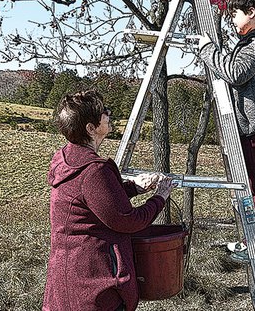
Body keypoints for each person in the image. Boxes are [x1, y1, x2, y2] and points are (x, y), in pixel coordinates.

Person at [42, 90, 174, 311]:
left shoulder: (67, 158)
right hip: (94, 287)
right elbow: (127, 220)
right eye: (102, 112)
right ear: (90, 128)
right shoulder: (94, 170)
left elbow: (94, 200)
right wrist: (160, 197)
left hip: (67, 283)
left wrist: (133, 187)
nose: (108, 113)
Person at [196, 0, 255, 264]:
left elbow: (235, 72)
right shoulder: (252, 41)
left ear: (251, 13)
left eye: (234, 14)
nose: (232, 19)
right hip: (251, 120)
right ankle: (254, 241)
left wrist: (207, 50)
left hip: (254, 122)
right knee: (252, 186)